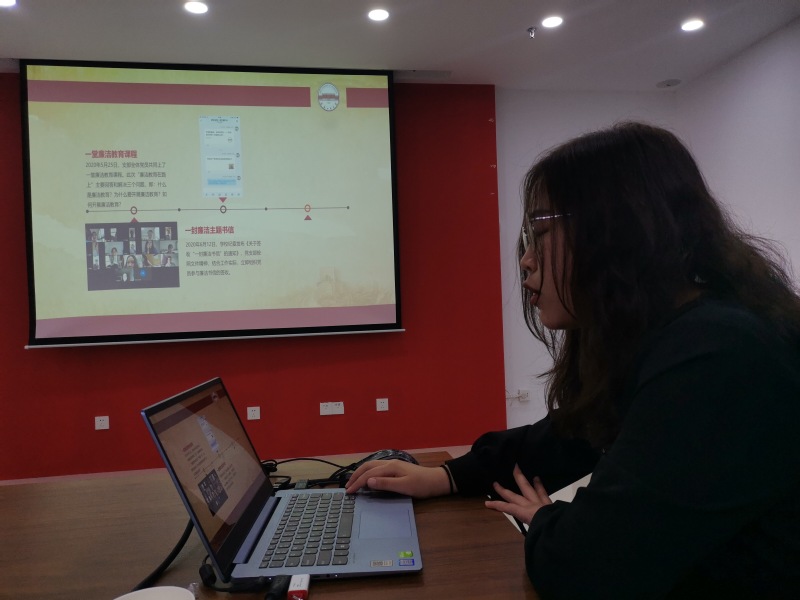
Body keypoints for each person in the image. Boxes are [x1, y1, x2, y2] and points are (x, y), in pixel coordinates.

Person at [345, 122, 800, 598]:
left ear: (617, 230)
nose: (525, 260)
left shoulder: (717, 356)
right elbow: (570, 436)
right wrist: (446, 475)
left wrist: (546, 519)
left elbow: (585, 567)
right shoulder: (673, 336)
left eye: (541, 231)